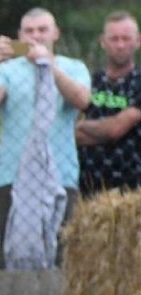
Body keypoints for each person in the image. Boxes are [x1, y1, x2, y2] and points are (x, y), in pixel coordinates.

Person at [0, 7, 91, 269]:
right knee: (13, 255)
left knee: (62, 256)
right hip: (13, 175)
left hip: (60, 174)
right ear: (19, 35)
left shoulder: (73, 67)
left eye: (42, 30)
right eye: (29, 31)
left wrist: (50, 66)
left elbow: (82, 101)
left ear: (55, 33)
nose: (36, 36)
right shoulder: (8, 70)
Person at [76, 12, 141, 192]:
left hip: (130, 190)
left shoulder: (138, 82)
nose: (120, 45)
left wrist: (82, 126)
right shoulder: (88, 80)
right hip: (86, 186)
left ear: (138, 41)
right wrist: (105, 130)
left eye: (126, 38)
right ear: (102, 41)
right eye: (114, 39)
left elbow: (116, 129)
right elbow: (68, 132)